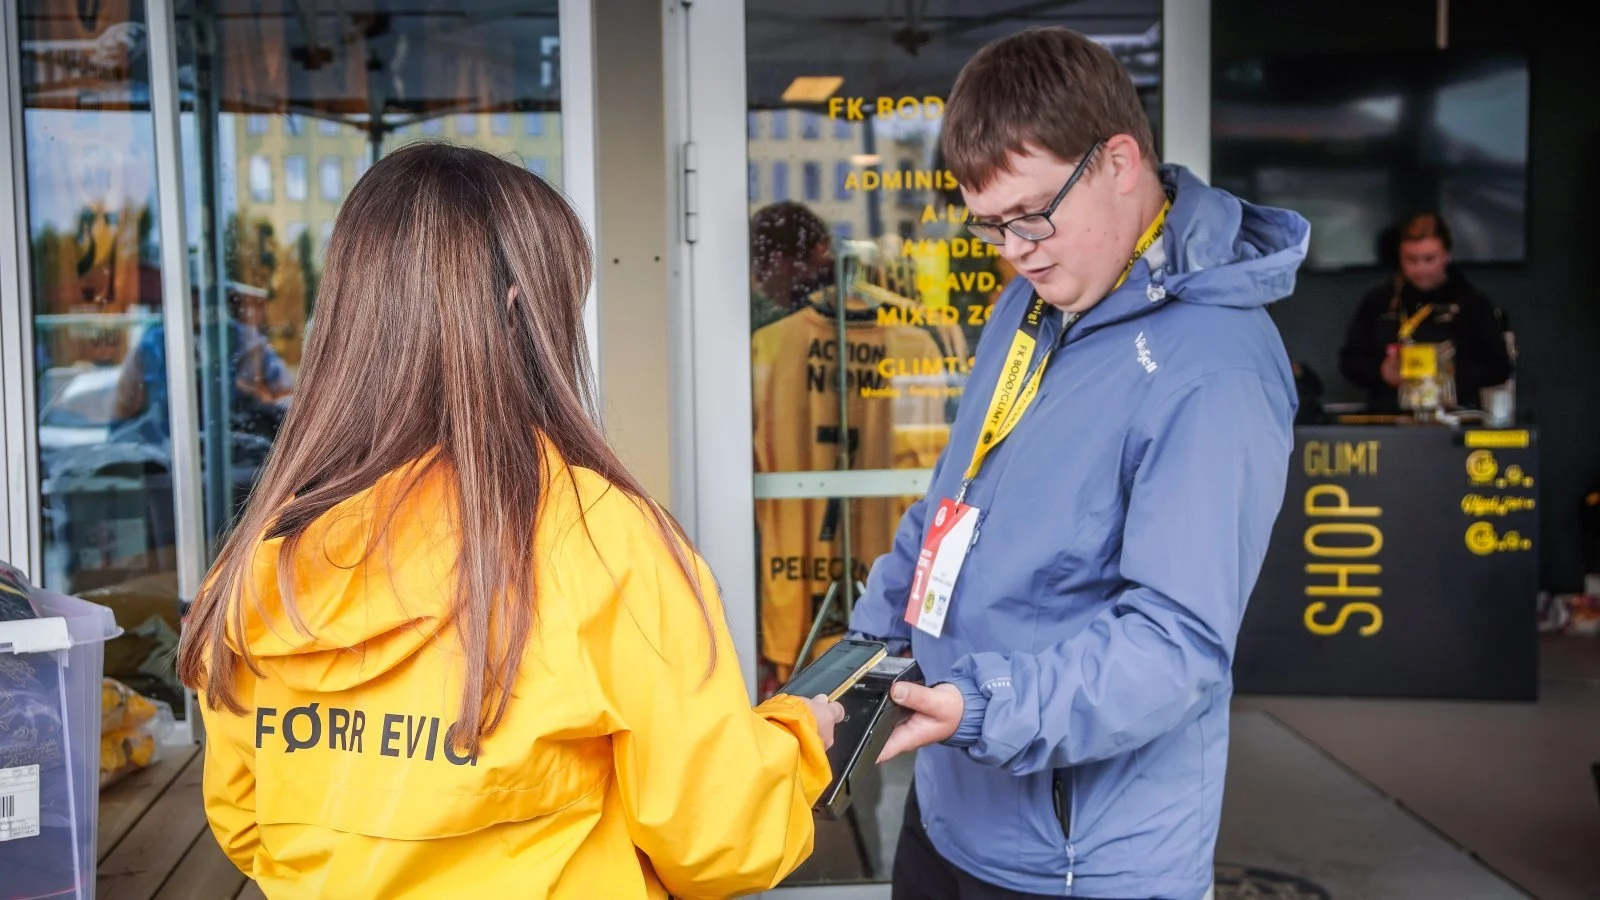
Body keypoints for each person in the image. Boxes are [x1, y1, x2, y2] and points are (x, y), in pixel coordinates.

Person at [176, 143, 844, 899]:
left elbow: (246, 821)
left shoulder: (262, 563)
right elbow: (722, 842)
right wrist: (800, 740)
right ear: (525, 313)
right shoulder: (603, 539)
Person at [844, 27, 1308, 900]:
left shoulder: (1216, 365)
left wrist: (979, 706)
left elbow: (1174, 647)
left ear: (1119, 161)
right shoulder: (1028, 305)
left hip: (1078, 865)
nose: (1015, 248)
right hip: (951, 810)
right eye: (990, 226)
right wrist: (864, 650)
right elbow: (953, 504)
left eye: (1031, 214)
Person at [1338, 213, 1512, 413]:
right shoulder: (1379, 302)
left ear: (1447, 255)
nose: (1420, 269)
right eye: (1411, 260)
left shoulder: (1472, 304)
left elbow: (1499, 368)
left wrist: (1451, 372)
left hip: (1454, 418)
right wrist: (1381, 371)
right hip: (1390, 419)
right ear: (1399, 256)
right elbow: (1349, 362)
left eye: (1429, 259)